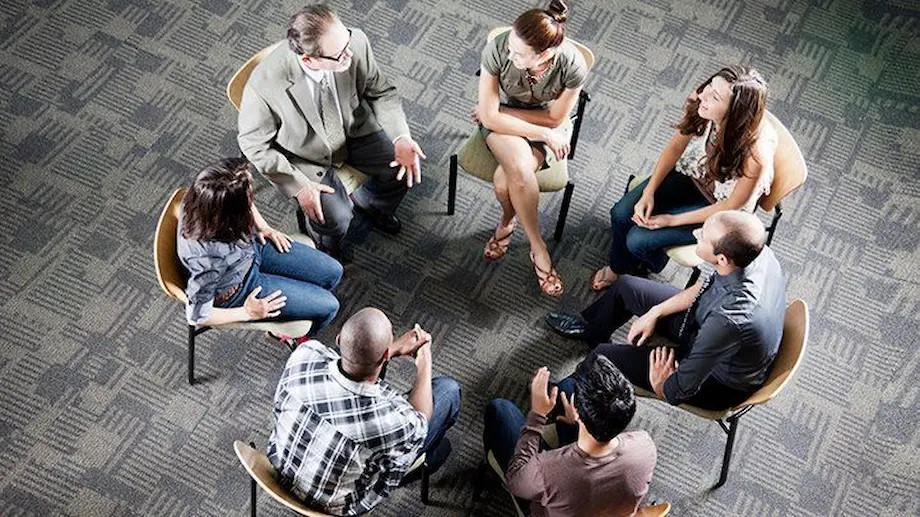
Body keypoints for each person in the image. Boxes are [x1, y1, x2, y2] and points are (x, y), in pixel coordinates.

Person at [546, 210, 785, 410]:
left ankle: (555, 403)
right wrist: (656, 312)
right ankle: (591, 330)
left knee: (601, 357)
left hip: (717, 380)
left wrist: (661, 385)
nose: (695, 233)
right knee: (626, 286)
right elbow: (707, 286)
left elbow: (678, 390)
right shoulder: (755, 251)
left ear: (722, 259)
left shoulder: (728, 321)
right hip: (707, 326)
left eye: (702, 236)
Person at [238, 4, 426, 257]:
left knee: (403, 168)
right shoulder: (264, 86)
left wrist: (401, 137)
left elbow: (382, 92)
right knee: (335, 218)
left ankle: (372, 204)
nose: (349, 55)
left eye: (347, 44)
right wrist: (298, 186)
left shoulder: (353, 42)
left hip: (352, 130)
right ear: (308, 59)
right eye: (340, 55)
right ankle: (328, 245)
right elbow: (253, 145)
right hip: (304, 155)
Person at [590, 65, 777, 292]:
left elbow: (730, 205)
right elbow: (675, 148)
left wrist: (671, 220)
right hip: (691, 175)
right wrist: (649, 191)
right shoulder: (703, 106)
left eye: (715, 97)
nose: (702, 95)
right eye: (709, 86)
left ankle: (624, 268)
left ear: (734, 113)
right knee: (620, 214)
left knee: (636, 240)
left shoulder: (755, 156)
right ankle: (633, 264)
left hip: (718, 209)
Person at [268, 308, 461, 515]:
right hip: (334, 506)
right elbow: (420, 422)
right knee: (448, 392)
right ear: (385, 355)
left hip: (280, 473)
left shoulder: (304, 355)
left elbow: (342, 360)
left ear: (339, 339)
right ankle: (432, 458)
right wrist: (424, 361)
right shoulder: (393, 421)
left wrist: (391, 350)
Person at [472, 0, 588, 297]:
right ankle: (539, 248)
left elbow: (555, 117)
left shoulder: (572, 65)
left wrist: (499, 113)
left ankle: (507, 222)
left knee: (503, 182)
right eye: (510, 46)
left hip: (542, 125)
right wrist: (499, 118)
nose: (509, 54)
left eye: (518, 53)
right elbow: (489, 117)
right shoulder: (497, 49)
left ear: (545, 54)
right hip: (512, 129)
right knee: (520, 170)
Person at [177, 157, 343, 340]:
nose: (252, 193)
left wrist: (264, 227)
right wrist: (247, 312)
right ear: (233, 212)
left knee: (334, 272)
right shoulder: (208, 262)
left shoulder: (205, 196)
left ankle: (303, 302)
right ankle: (293, 336)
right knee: (330, 306)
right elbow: (196, 315)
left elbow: (245, 201)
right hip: (240, 287)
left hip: (250, 248)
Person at [483, 356, 657, 516]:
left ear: (579, 414)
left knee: (501, 409)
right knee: (566, 389)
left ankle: (490, 470)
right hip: (595, 501)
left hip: (554, 491)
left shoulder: (546, 470)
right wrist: (578, 424)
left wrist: (537, 415)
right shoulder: (645, 444)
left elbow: (516, 481)